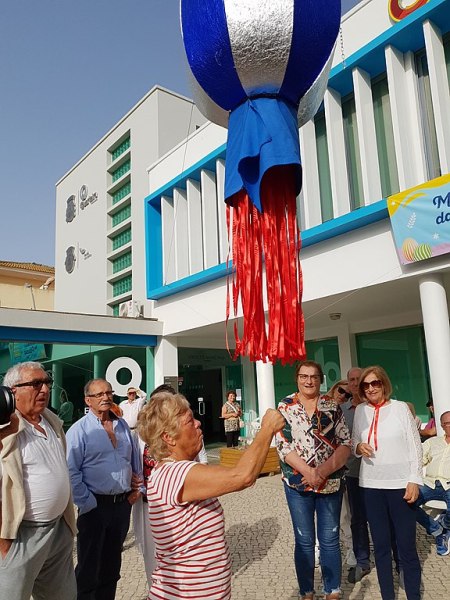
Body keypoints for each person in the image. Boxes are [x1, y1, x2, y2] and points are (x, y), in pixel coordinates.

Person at [137, 391, 284, 599]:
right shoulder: (175, 473)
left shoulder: (175, 470)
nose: (198, 423)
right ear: (168, 437)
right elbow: (242, 476)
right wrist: (267, 428)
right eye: (189, 421)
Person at [0, 361, 76, 600]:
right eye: (35, 384)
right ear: (12, 392)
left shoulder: (52, 422)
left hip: (58, 530)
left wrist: (66, 528)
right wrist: (3, 543)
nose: (45, 389)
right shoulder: (6, 430)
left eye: (46, 382)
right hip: (20, 536)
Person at [275, 360, 351, 600]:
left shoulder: (331, 406)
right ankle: (307, 591)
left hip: (330, 483)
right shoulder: (285, 406)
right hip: (297, 483)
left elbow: (345, 443)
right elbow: (282, 445)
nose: (309, 381)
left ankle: (333, 591)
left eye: (314, 377)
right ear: (297, 378)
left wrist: (323, 471)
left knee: (330, 539)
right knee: (304, 540)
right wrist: (308, 473)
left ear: (320, 379)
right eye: (304, 376)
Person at [66, 378, 144, 600]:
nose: (106, 397)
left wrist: (137, 489)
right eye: (99, 394)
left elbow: (134, 461)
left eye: (109, 393)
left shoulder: (122, 426)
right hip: (94, 507)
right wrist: (87, 502)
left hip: (121, 506)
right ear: (87, 400)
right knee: (89, 567)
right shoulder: (79, 430)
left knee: (112, 566)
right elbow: (71, 470)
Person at [352, 366, 423, 600]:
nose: (371, 388)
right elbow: (354, 441)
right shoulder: (360, 411)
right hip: (371, 486)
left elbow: (415, 446)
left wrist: (414, 479)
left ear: (384, 384)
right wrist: (358, 447)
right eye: (366, 385)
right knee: (381, 547)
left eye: (375, 383)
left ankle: (413, 595)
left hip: (400, 485)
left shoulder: (400, 408)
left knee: (406, 547)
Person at [341, 366, 372, 583]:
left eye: (358, 379)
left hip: (377, 472)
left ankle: (395, 559)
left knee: (382, 518)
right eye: (351, 379)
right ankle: (362, 561)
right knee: (357, 519)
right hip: (352, 473)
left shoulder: (375, 407)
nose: (355, 383)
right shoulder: (341, 410)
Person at [415, 410, 450, 555]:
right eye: (447, 423)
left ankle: (445, 524)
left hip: (449, 485)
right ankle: (438, 530)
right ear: (442, 426)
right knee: (406, 503)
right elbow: (419, 461)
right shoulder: (432, 442)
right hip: (429, 483)